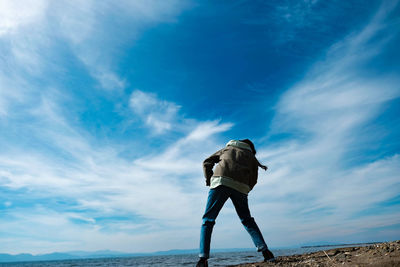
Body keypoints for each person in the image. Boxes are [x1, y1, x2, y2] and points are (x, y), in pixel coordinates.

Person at [196, 139, 274, 267]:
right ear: (251, 148)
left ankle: (202, 259)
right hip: (241, 188)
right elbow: (254, 179)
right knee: (247, 220)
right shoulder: (252, 157)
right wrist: (245, 189)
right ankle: (266, 252)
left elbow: (206, 162)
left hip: (221, 181)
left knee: (208, 220)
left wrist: (209, 180)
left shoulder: (228, 148)